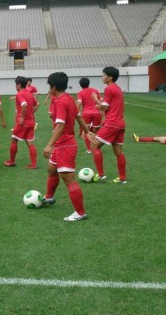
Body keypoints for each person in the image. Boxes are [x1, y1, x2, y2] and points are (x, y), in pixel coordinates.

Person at [41, 72, 92, 222]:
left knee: (68, 179)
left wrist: (49, 145)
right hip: (61, 144)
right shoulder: (68, 98)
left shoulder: (61, 102)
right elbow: (79, 116)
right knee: (51, 169)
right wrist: (88, 132)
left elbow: (61, 125)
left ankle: (80, 213)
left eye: (49, 86)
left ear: (54, 87)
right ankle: (49, 197)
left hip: (65, 145)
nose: (49, 89)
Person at [88, 67, 127, 184]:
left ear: (110, 77)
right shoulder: (117, 88)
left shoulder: (109, 89)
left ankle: (100, 175)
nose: (102, 77)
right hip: (120, 123)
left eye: (104, 75)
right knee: (118, 152)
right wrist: (100, 106)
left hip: (112, 123)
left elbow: (106, 107)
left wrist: (96, 100)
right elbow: (109, 107)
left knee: (94, 146)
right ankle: (122, 178)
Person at [4, 76, 39, 169]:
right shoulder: (29, 94)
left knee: (14, 140)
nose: (15, 86)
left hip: (23, 123)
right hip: (31, 122)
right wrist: (30, 113)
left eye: (16, 84)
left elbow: (24, 105)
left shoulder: (20, 94)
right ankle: (34, 164)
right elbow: (37, 104)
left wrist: (22, 117)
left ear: (19, 85)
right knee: (30, 143)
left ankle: (11, 161)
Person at [76, 77, 102, 153]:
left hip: (86, 113)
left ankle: (89, 149)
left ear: (80, 85)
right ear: (89, 83)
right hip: (96, 113)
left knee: (87, 131)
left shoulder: (80, 92)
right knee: (97, 131)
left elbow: (79, 102)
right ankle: (96, 148)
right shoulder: (95, 90)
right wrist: (101, 110)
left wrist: (76, 112)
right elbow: (100, 100)